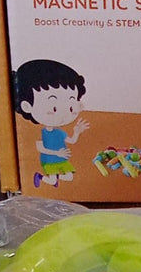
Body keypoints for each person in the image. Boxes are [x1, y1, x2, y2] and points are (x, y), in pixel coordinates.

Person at [12, 59, 89, 187]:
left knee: (69, 177)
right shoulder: (41, 132)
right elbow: (40, 148)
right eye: (54, 108)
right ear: (27, 106)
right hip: (49, 160)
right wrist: (56, 153)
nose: (64, 115)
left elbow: (71, 141)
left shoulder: (59, 132)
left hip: (61, 159)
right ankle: (41, 177)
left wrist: (76, 132)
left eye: (71, 108)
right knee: (52, 180)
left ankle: (55, 179)